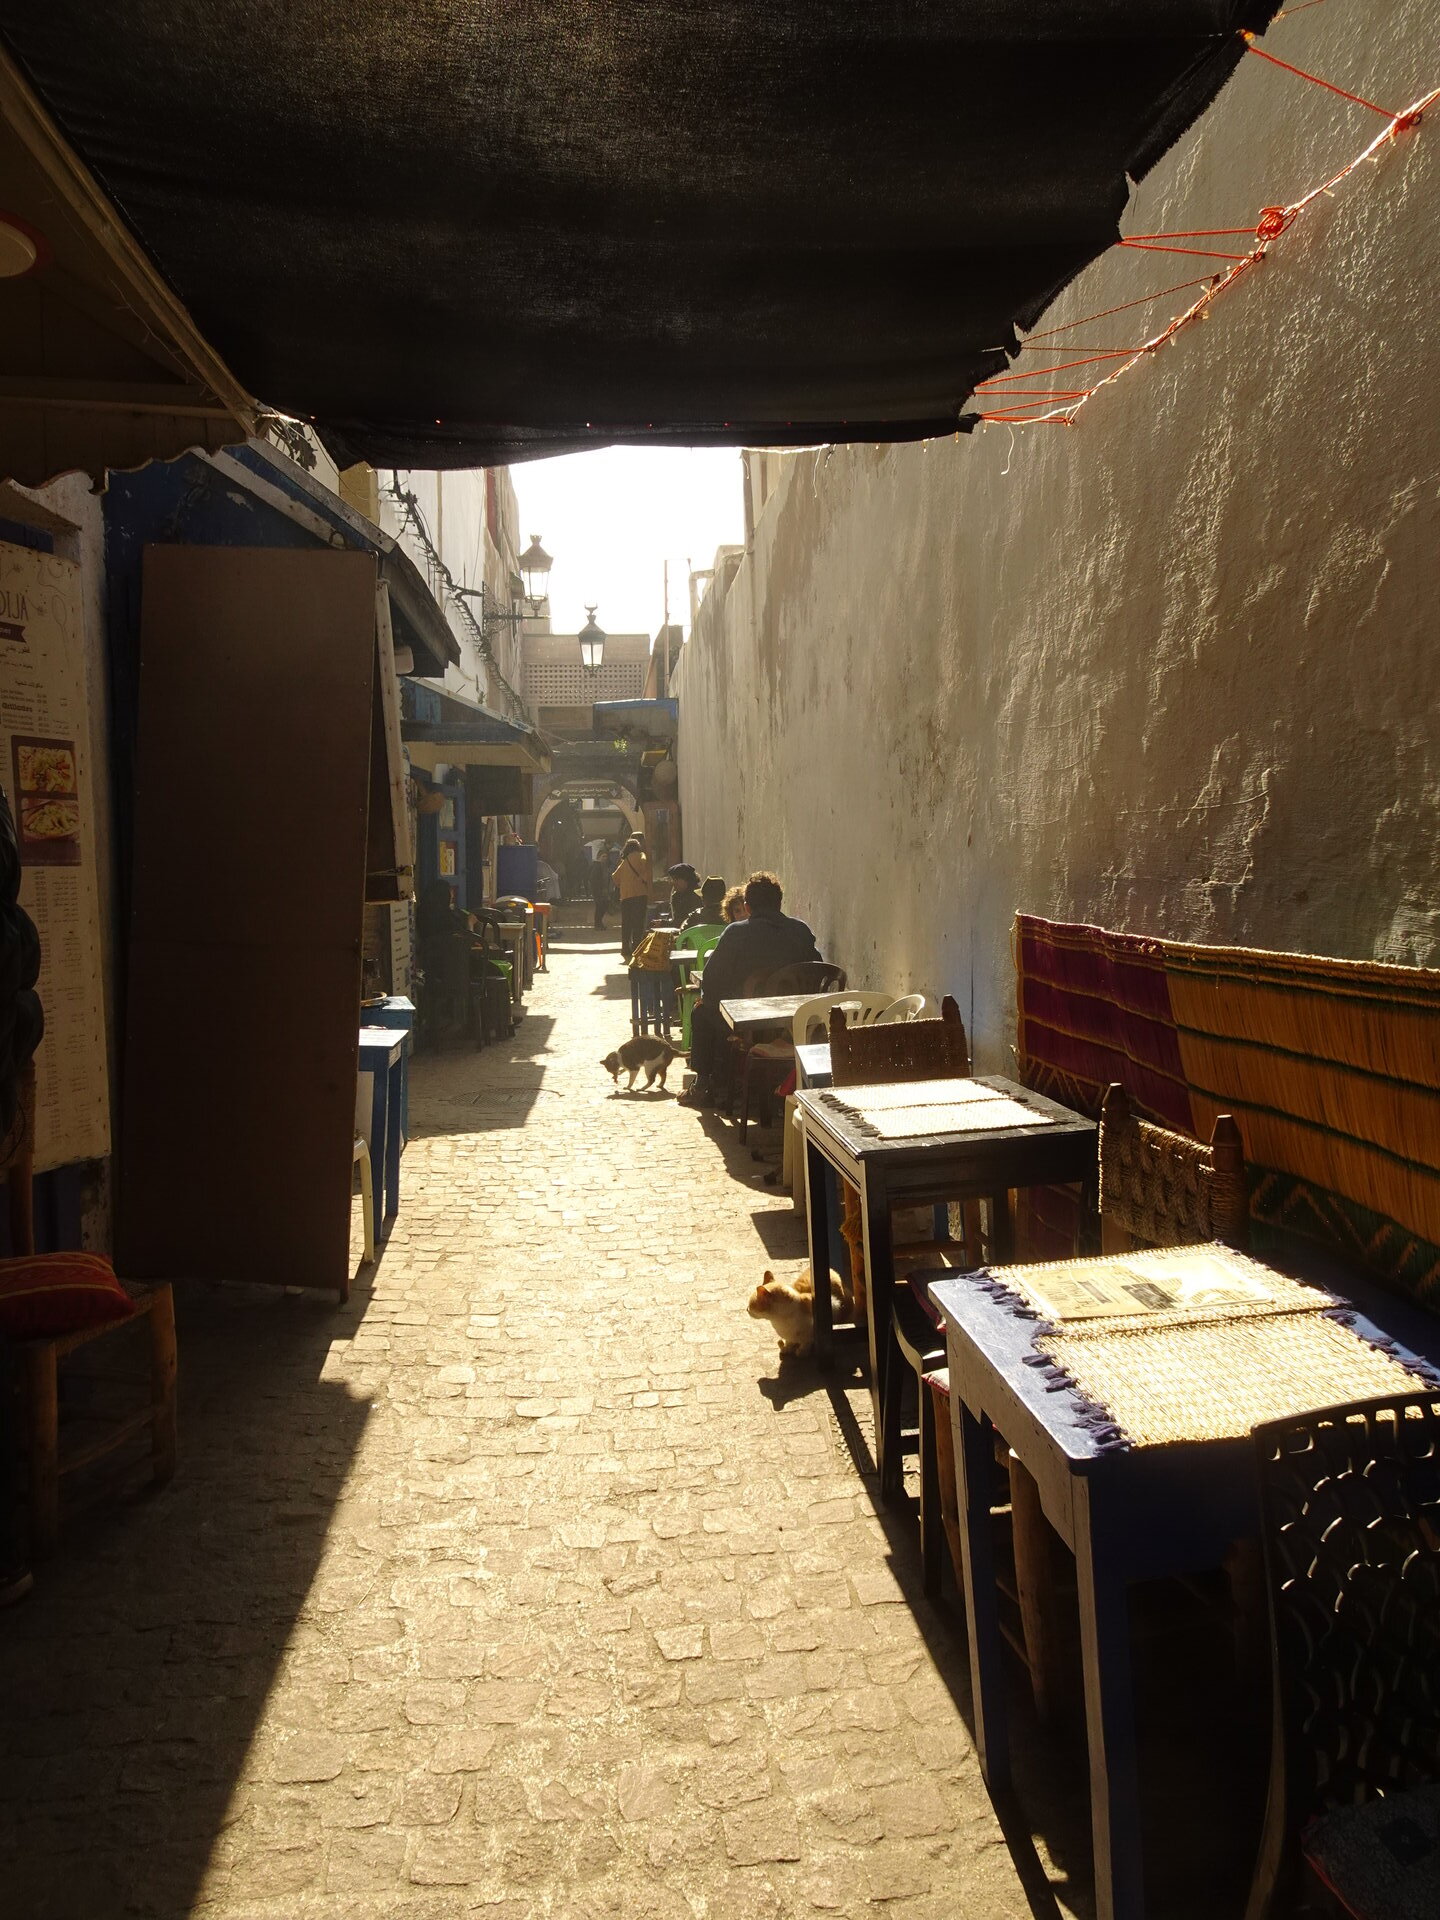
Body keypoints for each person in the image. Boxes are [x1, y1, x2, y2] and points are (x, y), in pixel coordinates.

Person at [680, 871, 823, 1107]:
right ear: (779, 903)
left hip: (750, 1027)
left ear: (747, 907)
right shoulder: (800, 931)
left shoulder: (736, 933)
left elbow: (712, 981)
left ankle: (704, 1085)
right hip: (793, 1025)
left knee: (701, 1012)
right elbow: (817, 970)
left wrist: (711, 1001)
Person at [612, 835, 652, 958]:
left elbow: (615, 877)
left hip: (626, 896)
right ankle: (636, 947)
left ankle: (625, 948)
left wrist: (624, 884)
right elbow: (647, 872)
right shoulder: (642, 856)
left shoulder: (625, 862)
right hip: (640, 895)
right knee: (638, 923)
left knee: (627, 923)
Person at [666, 863, 702, 927]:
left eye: (676, 879)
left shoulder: (698, 895)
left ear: (687, 879)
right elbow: (676, 920)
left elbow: (689, 921)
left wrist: (666, 924)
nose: (674, 883)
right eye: (673, 879)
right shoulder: (677, 896)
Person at [590, 841, 615, 930]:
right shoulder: (597, 867)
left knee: (603, 907)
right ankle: (597, 924)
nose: (605, 858)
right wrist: (598, 891)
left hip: (604, 891)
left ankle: (599, 923)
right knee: (600, 907)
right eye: (603, 856)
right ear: (599, 857)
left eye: (606, 856)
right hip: (598, 892)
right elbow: (594, 880)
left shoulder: (604, 867)